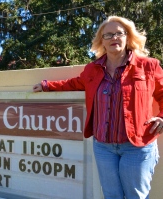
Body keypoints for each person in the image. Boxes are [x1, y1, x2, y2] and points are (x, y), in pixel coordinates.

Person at [33, 16, 162, 199]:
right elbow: (75, 83)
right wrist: (47, 86)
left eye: (119, 33)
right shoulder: (93, 69)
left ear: (128, 37)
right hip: (103, 146)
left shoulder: (148, 66)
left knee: (136, 196)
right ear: (101, 41)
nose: (114, 38)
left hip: (137, 146)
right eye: (108, 35)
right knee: (111, 196)